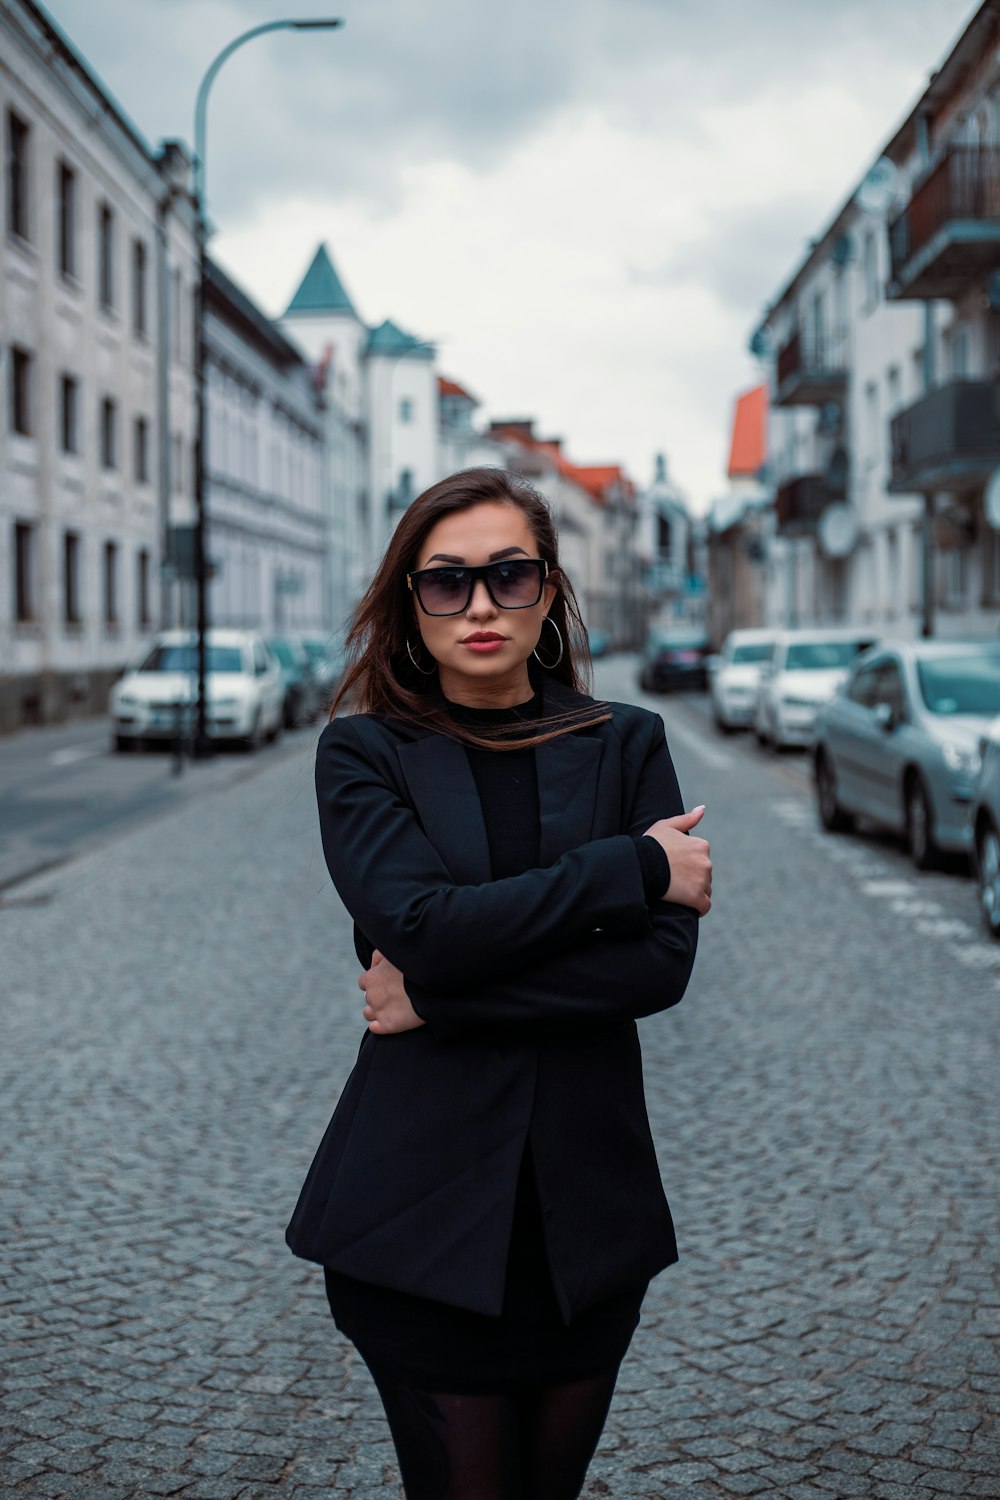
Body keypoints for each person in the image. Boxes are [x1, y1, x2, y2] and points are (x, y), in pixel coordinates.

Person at [286, 467, 712, 1500]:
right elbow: (426, 926)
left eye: (508, 575)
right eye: (446, 582)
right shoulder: (363, 754)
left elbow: (655, 968)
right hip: (419, 1214)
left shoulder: (626, 744)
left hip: (586, 1215)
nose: (479, 605)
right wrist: (636, 868)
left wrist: (436, 999)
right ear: (408, 602)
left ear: (547, 589)